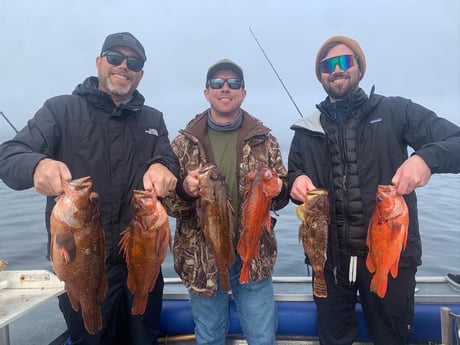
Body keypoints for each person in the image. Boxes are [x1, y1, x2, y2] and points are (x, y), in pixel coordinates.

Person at [0, 32, 179, 345]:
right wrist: (36, 166)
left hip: (140, 260)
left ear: (140, 74)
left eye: (133, 62)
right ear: (99, 62)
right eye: (114, 58)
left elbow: (168, 159)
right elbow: (9, 155)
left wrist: (163, 168)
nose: (123, 66)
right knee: (90, 336)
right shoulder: (60, 110)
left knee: (143, 338)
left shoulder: (153, 119)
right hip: (83, 264)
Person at [288, 35, 460, 345]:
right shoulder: (305, 130)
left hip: (390, 258)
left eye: (345, 62)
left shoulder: (396, 111)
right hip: (330, 264)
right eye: (328, 65)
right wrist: (294, 182)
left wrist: (425, 159)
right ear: (321, 75)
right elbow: (292, 176)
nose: (337, 70)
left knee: (391, 339)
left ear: (359, 68)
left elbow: (456, 142)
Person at [162, 59, 289, 345]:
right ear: (206, 92)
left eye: (234, 83)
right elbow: (170, 205)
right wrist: (184, 189)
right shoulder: (183, 144)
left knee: (262, 336)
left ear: (243, 93)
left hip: (253, 256)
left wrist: (279, 188)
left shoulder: (265, 140)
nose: (225, 88)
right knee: (208, 336)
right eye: (217, 83)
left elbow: (281, 198)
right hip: (201, 261)